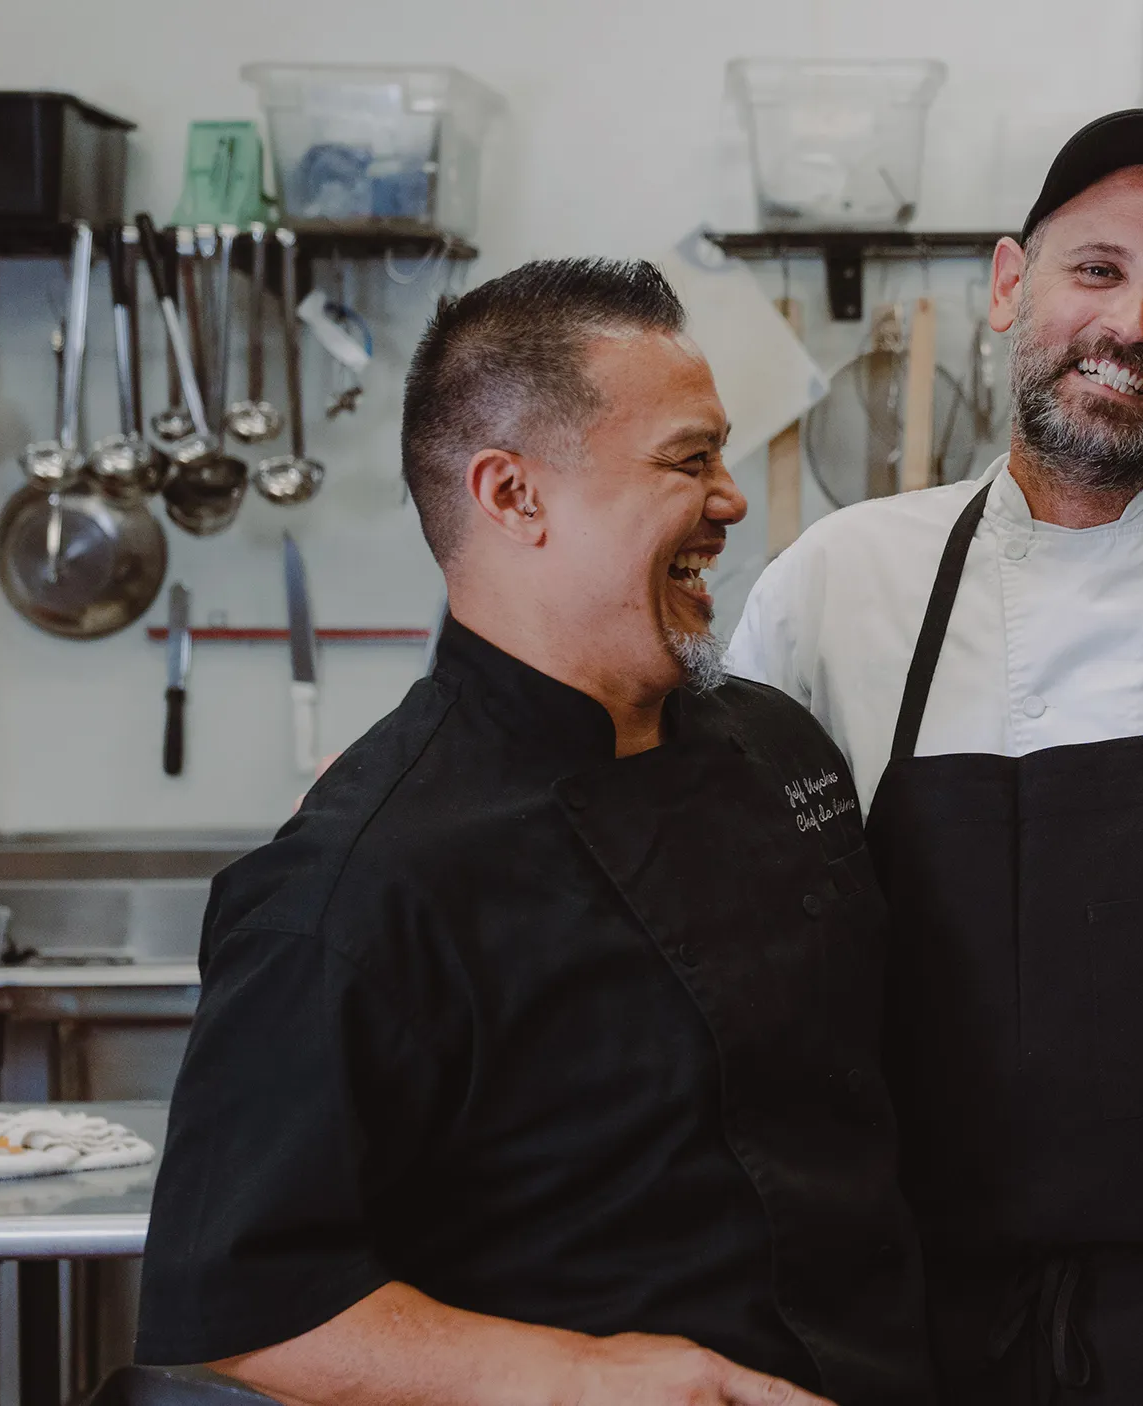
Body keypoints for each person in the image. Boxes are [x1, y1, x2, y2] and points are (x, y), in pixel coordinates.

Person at [137, 258, 930, 1406]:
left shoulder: (778, 744)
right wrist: (582, 1375)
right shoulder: (358, 879)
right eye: (688, 459)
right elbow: (242, 1307)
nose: (730, 499)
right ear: (513, 496)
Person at [726, 111, 1143, 1403]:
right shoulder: (832, 588)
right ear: (1008, 286)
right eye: (1096, 269)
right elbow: (736, 958)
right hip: (905, 1321)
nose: (1130, 323)